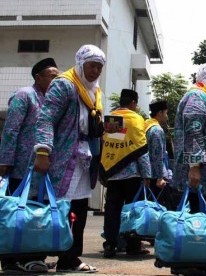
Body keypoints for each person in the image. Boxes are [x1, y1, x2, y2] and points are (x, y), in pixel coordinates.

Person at [33, 44, 106, 273]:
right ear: (80, 63)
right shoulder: (64, 84)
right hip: (63, 156)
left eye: (99, 67)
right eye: (91, 65)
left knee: (79, 209)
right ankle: (35, 256)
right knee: (52, 209)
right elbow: (46, 119)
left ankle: (70, 258)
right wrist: (43, 151)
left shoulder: (95, 91)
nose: (95, 71)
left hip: (84, 158)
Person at [0, 58, 59, 273]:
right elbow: (11, 129)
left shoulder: (52, 101)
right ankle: (10, 260)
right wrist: (5, 161)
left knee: (36, 214)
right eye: (52, 76)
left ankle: (33, 257)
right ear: (38, 77)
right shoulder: (24, 95)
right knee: (15, 213)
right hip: (20, 167)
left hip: (43, 170)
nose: (56, 80)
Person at [171, 63, 206, 276]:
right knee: (197, 216)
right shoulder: (198, 96)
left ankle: (203, 262)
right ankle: (191, 262)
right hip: (199, 172)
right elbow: (194, 131)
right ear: (205, 76)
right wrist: (194, 166)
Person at [100, 89, 152, 258]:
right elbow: (140, 148)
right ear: (133, 104)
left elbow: (114, 147)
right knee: (133, 211)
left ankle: (110, 245)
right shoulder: (136, 119)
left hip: (114, 173)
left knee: (112, 211)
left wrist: (104, 173)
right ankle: (132, 246)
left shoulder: (112, 118)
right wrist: (147, 174)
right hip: (132, 175)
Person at [145, 100, 174, 209]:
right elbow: (157, 155)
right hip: (155, 178)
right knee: (162, 209)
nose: (166, 116)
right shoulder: (157, 130)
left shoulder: (146, 126)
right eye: (166, 113)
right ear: (160, 113)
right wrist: (160, 177)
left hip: (146, 174)